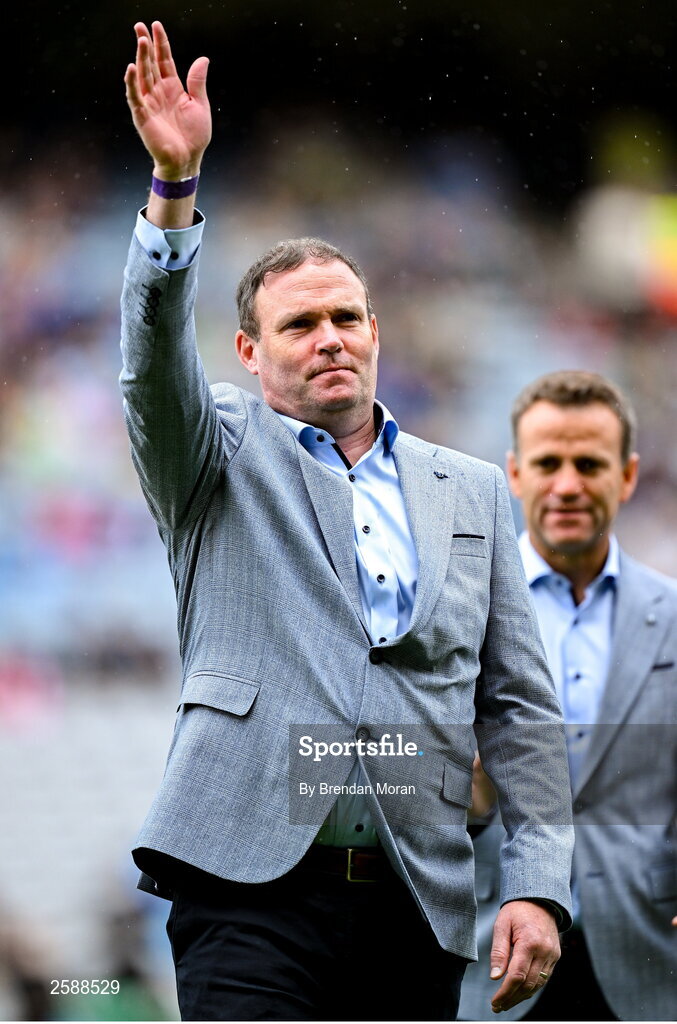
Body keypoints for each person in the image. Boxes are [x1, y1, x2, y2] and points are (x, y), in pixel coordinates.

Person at [120, 21, 574, 1021]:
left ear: (374, 331)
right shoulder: (212, 457)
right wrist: (173, 189)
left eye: (344, 318)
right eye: (297, 324)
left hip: (416, 903)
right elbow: (150, 357)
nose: (327, 338)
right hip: (245, 889)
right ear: (247, 350)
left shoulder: (471, 491)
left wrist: (537, 881)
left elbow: (520, 712)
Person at [459, 370, 677, 1022]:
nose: (566, 485)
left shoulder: (670, 616)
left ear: (627, 475)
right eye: (547, 463)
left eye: (588, 463)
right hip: (490, 955)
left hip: (647, 963)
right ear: (515, 474)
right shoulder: (456, 614)